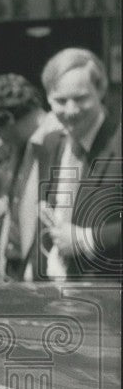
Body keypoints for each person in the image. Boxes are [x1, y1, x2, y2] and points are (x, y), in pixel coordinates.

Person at [35, 47, 121, 279]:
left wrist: (85, 239)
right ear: (48, 98)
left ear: (100, 90)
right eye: (60, 101)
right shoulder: (52, 144)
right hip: (56, 288)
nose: (71, 110)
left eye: (81, 98)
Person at [0, 74, 60, 281]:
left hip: (38, 272)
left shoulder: (56, 142)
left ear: (8, 119)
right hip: (17, 269)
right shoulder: (26, 144)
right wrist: (5, 204)